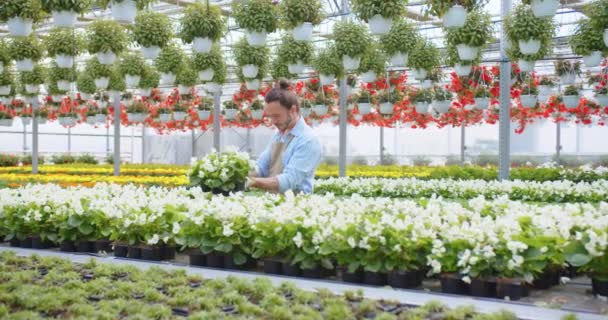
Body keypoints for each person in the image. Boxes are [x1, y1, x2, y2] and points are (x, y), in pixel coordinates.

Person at [248, 80, 322, 194]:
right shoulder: (277, 135)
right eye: (270, 116)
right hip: (273, 203)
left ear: (292, 110)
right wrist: (238, 173)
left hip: (296, 206)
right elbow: (261, 166)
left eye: (277, 116)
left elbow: (288, 181)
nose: (273, 121)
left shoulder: (308, 140)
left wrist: (252, 182)